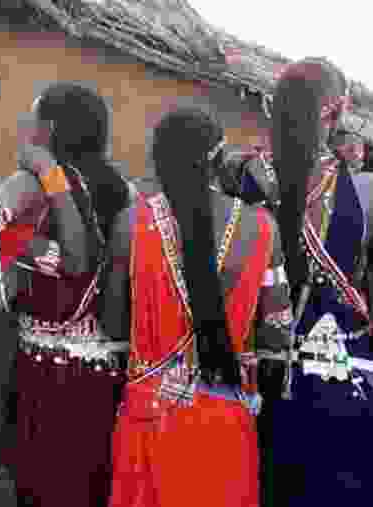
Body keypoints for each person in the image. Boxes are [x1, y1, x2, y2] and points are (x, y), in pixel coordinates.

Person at [101, 107, 292, 507]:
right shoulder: (262, 227)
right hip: (226, 418)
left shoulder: (130, 223)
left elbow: (114, 327)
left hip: (150, 417)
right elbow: (276, 331)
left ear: (157, 158)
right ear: (220, 158)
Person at [0, 83, 133, 507]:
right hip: (105, 371)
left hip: (44, 370)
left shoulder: (32, 182)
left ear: (50, 128)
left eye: (32, 119)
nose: (26, 128)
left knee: (41, 485)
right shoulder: (124, 190)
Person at [260, 57, 373, 506]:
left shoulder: (245, 172)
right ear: (335, 110)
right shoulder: (358, 190)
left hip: (255, 354)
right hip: (337, 360)